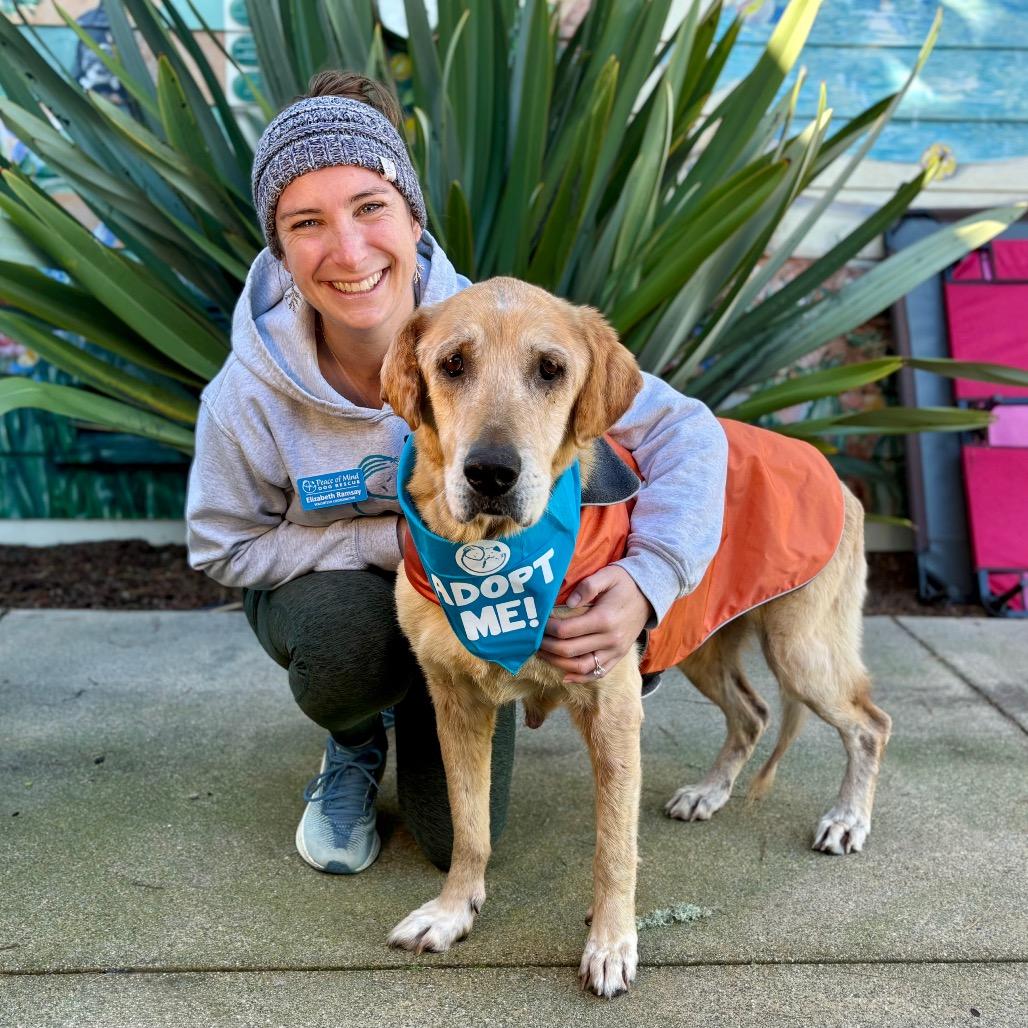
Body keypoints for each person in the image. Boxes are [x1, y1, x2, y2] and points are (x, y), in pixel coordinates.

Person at [185, 71, 728, 875]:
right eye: (307, 222)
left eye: (371, 207)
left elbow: (691, 430)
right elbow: (223, 548)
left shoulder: (510, 324)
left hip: (487, 594)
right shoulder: (245, 398)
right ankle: (355, 740)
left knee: (449, 848)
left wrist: (651, 579)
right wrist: (393, 539)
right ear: (280, 247)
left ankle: (457, 697)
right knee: (345, 644)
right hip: (352, 596)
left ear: (411, 216)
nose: (348, 248)